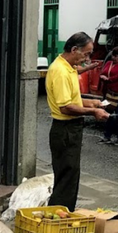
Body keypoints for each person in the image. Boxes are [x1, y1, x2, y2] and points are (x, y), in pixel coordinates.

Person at [46, 33, 109, 210]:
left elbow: (74, 99)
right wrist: (93, 111)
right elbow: (65, 107)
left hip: (70, 128)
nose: (87, 58)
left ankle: (63, 213)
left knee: (70, 175)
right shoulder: (60, 71)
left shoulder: (69, 67)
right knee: (66, 177)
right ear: (74, 49)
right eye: (86, 54)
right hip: (65, 128)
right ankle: (58, 216)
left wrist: (93, 102)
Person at [98, 47, 118, 145]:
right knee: (107, 114)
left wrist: (108, 79)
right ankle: (107, 136)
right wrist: (103, 77)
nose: (113, 58)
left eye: (116, 56)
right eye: (113, 55)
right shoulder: (108, 64)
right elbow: (102, 72)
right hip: (108, 93)